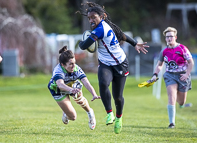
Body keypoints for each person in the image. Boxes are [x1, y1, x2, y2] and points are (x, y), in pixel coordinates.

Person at [77, 2, 149, 134]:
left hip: (120, 63)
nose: (91, 20)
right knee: (103, 83)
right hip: (105, 63)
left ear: (102, 16)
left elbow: (84, 45)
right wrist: (134, 44)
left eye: (94, 17)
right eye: (89, 18)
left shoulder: (100, 29)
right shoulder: (102, 27)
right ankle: (109, 113)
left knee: (118, 97)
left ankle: (119, 118)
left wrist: (82, 42)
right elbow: (122, 36)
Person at [47, 46, 101, 130]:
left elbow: (86, 82)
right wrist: (71, 90)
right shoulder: (58, 70)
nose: (73, 66)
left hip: (72, 85)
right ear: (63, 65)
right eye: (70, 64)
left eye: (74, 63)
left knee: (80, 98)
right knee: (73, 117)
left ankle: (90, 113)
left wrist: (94, 94)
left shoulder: (76, 69)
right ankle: (66, 113)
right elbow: (60, 85)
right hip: (58, 90)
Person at [150, 27, 194, 128]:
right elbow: (159, 64)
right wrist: (155, 75)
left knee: (181, 101)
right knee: (171, 96)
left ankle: (181, 104)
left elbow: (191, 62)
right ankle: (171, 123)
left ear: (175, 37)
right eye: (167, 37)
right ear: (165, 38)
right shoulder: (164, 51)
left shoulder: (182, 48)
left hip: (183, 75)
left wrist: (187, 74)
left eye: (171, 36)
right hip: (170, 75)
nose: (169, 39)